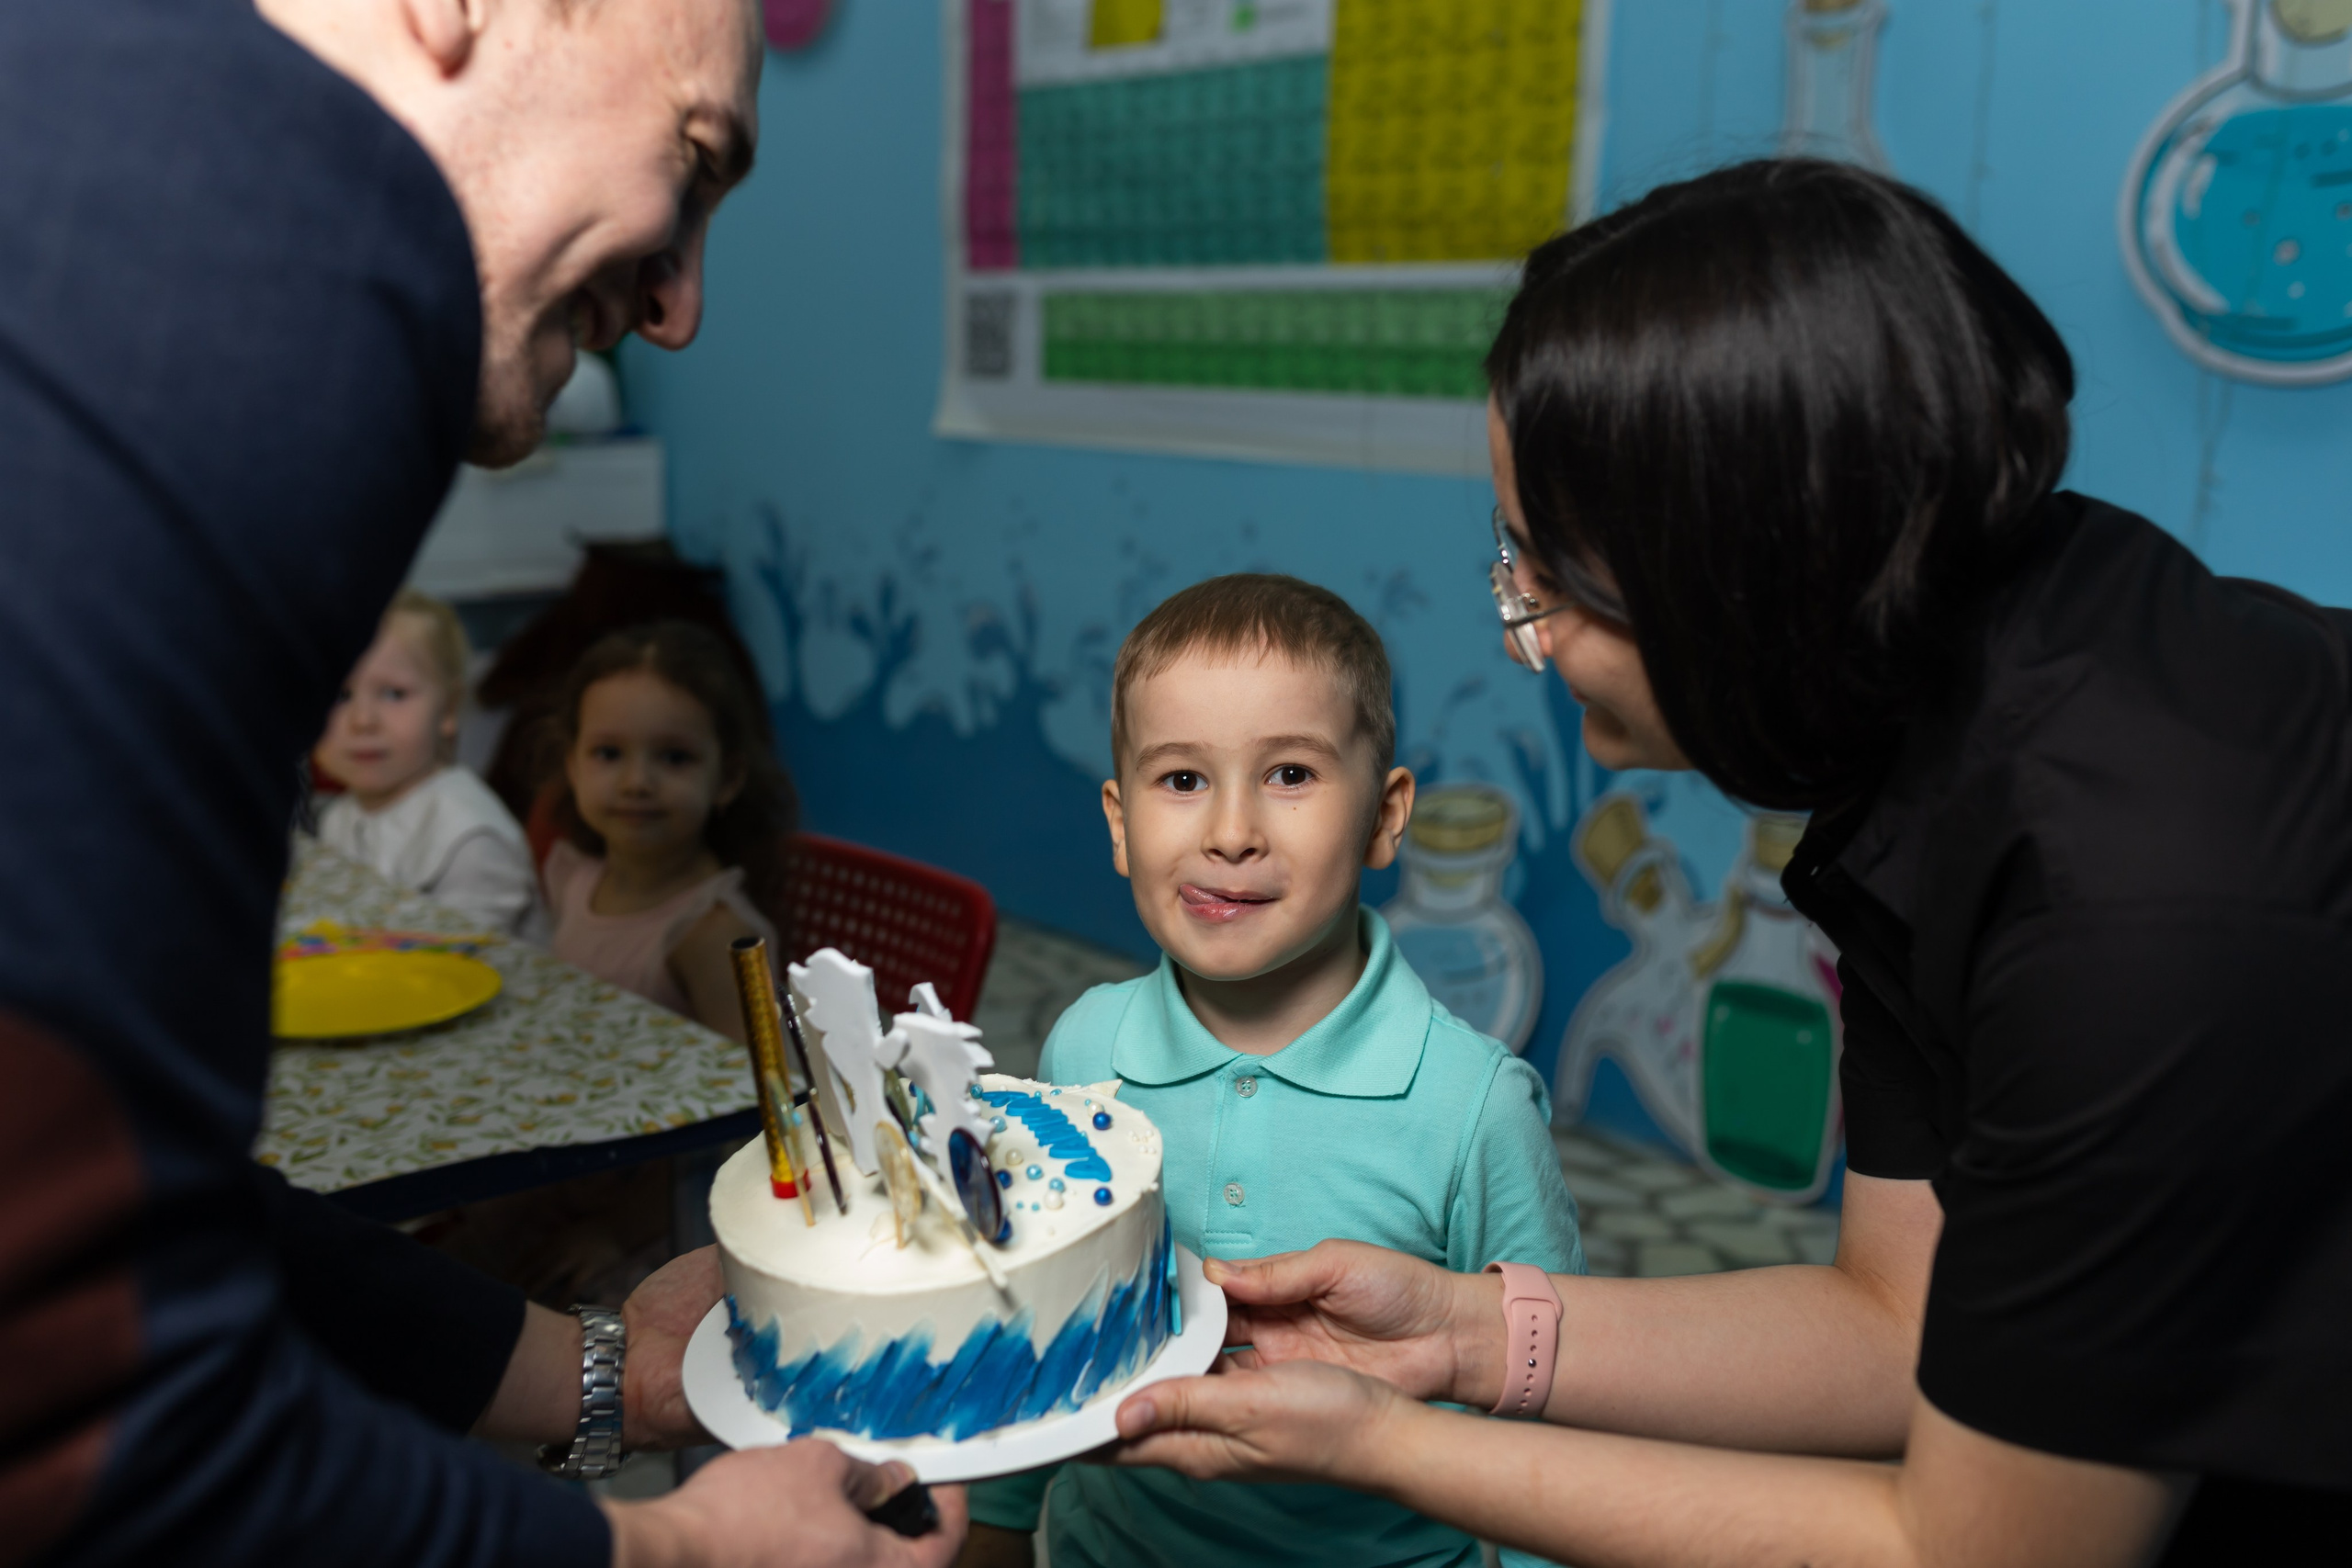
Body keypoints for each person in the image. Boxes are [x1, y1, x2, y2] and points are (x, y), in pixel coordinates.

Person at [1100, 162, 2352, 1564]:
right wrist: (1461, 1332)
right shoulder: (1937, 691)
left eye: (1549, 578)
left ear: (1736, 584)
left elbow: (1976, 1547)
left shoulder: (2130, 911)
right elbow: (1895, 1319)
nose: (1524, 633)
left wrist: (1392, 1445)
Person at [0, 0, 963, 1563]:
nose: (680, 308)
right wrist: (686, 1552)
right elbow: (85, 1399)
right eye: (694, 162)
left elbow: (120, 1206)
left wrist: (603, 1376)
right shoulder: (255, 264)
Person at [962, 575, 1584, 1568]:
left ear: (1384, 818)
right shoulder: (1082, 1053)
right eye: (1181, 781)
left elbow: (1542, 1414)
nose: (1231, 831)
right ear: (1119, 825)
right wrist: (994, 1523)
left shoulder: (1472, 1111)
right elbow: (1045, 1318)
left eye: (1289, 774)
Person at [543, 621, 794, 1047]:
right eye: (608, 754)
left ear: (727, 778)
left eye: (674, 757)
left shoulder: (715, 934)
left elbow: (763, 1089)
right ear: (572, 765)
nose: (636, 782)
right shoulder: (572, 878)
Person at [313, 590, 545, 937]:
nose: (362, 720)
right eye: (340, 695)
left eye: (394, 693)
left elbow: (456, 972)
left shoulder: (470, 842)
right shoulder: (338, 816)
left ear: (449, 709)